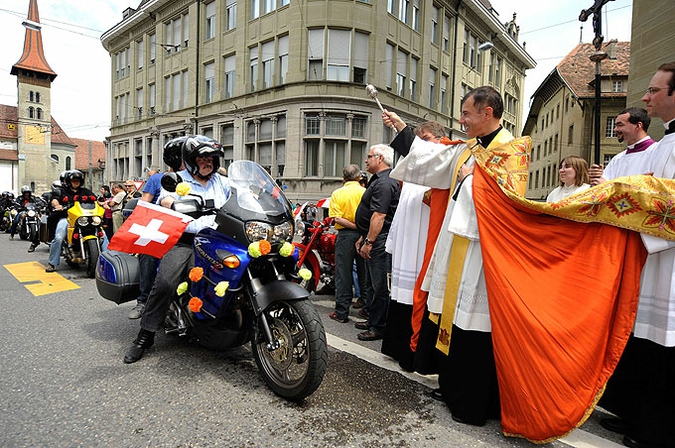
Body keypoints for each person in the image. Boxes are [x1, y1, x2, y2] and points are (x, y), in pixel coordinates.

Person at [386, 86, 522, 426]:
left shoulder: (512, 152)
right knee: (450, 316)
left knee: (472, 322)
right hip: (456, 243)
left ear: (487, 113)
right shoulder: (468, 149)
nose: (461, 120)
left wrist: (470, 183)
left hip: (481, 251)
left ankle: (474, 402)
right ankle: (451, 386)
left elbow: (509, 202)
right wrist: (403, 131)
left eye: (466, 113)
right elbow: (431, 160)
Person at [596, 63, 675, 448]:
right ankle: (635, 416)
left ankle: (657, 431)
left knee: (664, 348)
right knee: (644, 343)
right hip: (652, 255)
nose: (646, 97)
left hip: (669, 261)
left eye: (654, 90)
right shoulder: (666, 143)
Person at [124, 135, 230, 364]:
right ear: (192, 160)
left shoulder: (222, 182)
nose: (207, 162)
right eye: (202, 158)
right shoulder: (176, 180)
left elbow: (239, 197)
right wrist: (174, 203)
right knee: (166, 281)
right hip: (186, 240)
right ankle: (146, 335)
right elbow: (165, 199)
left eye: (211, 158)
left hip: (217, 239)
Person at [381, 120, 449, 372]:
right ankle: (396, 347)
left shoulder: (442, 157)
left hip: (423, 239)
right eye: (419, 138)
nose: (421, 143)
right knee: (400, 294)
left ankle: (413, 352)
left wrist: (401, 126)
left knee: (416, 293)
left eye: (427, 138)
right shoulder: (416, 163)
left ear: (439, 139)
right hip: (408, 238)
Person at [127, 151, 183, 320]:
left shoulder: (198, 180)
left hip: (190, 229)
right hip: (161, 227)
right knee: (149, 252)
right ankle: (144, 301)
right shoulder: (156, 179)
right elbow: (143, 205)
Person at [354, 144, 400, 341]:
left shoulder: (384, 182)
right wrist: (363, 237)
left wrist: (369, 241)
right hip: (373, 237)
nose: (366, 160)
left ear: (380, 158)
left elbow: (379, 215)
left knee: (380, 284)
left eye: (369, 156)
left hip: (379, 240)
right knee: (372, 283)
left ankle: (378, 326)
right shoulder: (379, 180)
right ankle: (373, 318)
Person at [327, 164, 366, 323]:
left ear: (343, 178)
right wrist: (361, 228)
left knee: (343, 274)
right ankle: (367, 308)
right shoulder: (365, 192)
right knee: (365, 273)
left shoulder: (337, 193)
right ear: (359, 177)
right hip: (365, 235)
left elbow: (336, 218)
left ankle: (341, 312)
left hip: (345, 235)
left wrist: (353, 226)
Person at [589, 107, 657, 186]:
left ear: (638, 126)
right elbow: (602, 187)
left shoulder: (657, 152)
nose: (615, 129)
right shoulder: (617, 159)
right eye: (615, 125)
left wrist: (608, 186)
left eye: (620, 125)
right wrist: (597, 178)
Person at [45, 170, 95, 273]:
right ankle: (52, 263)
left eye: (78, 180)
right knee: (59, 237)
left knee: (102, 234)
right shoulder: (62, 191)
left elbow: (95, 200)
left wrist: (102, 204)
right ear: (69, 181)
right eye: (73, 180)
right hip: (67, 219)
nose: (76, 182)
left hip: (84, 219)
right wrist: (57, 205)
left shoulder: (86, 191)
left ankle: (108, 261)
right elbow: (54, 199)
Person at [10, 185, 42, 252]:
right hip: (23, 211)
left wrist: (40, 205)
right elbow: (16, 203)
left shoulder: (33, 198)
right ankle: (12, 234)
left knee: (40, 218)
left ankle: (39, 234)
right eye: (25, 192)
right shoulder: (20, 198)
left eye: (28, 192)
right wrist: (16, 206)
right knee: (16, 221)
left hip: (31, 211)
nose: (27, 194)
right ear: (23, 193)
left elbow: (37, 203)